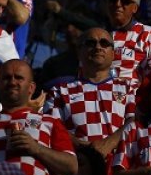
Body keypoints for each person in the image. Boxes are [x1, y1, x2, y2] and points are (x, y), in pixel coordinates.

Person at [45, 27, 136, 161]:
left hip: (119, 169)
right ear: (79, 52)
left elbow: (135, 120)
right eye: (90, 43)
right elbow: (51, 126)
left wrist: (109, 143)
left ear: (113, 54)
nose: (98, 47)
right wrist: (83, 148)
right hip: (77, 168)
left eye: (104, 43)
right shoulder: (58, 91)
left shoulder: (128, 88)